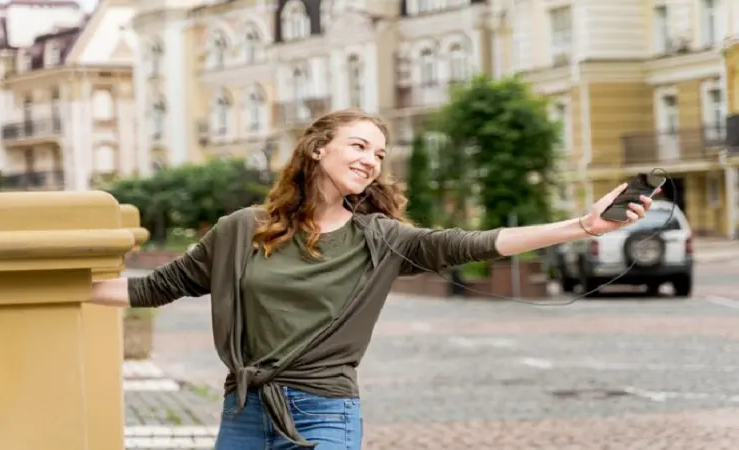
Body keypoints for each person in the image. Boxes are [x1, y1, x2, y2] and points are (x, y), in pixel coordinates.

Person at [91, 108, 653, 449]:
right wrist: (48, 292)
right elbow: (152, 288)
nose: (371, 161)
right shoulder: (241, 230)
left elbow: (477, 243)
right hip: (242, 410)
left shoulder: (381, 238)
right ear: (317, 149)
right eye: (358, 146)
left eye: (379, 153)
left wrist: (582, 225)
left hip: (325, 410)